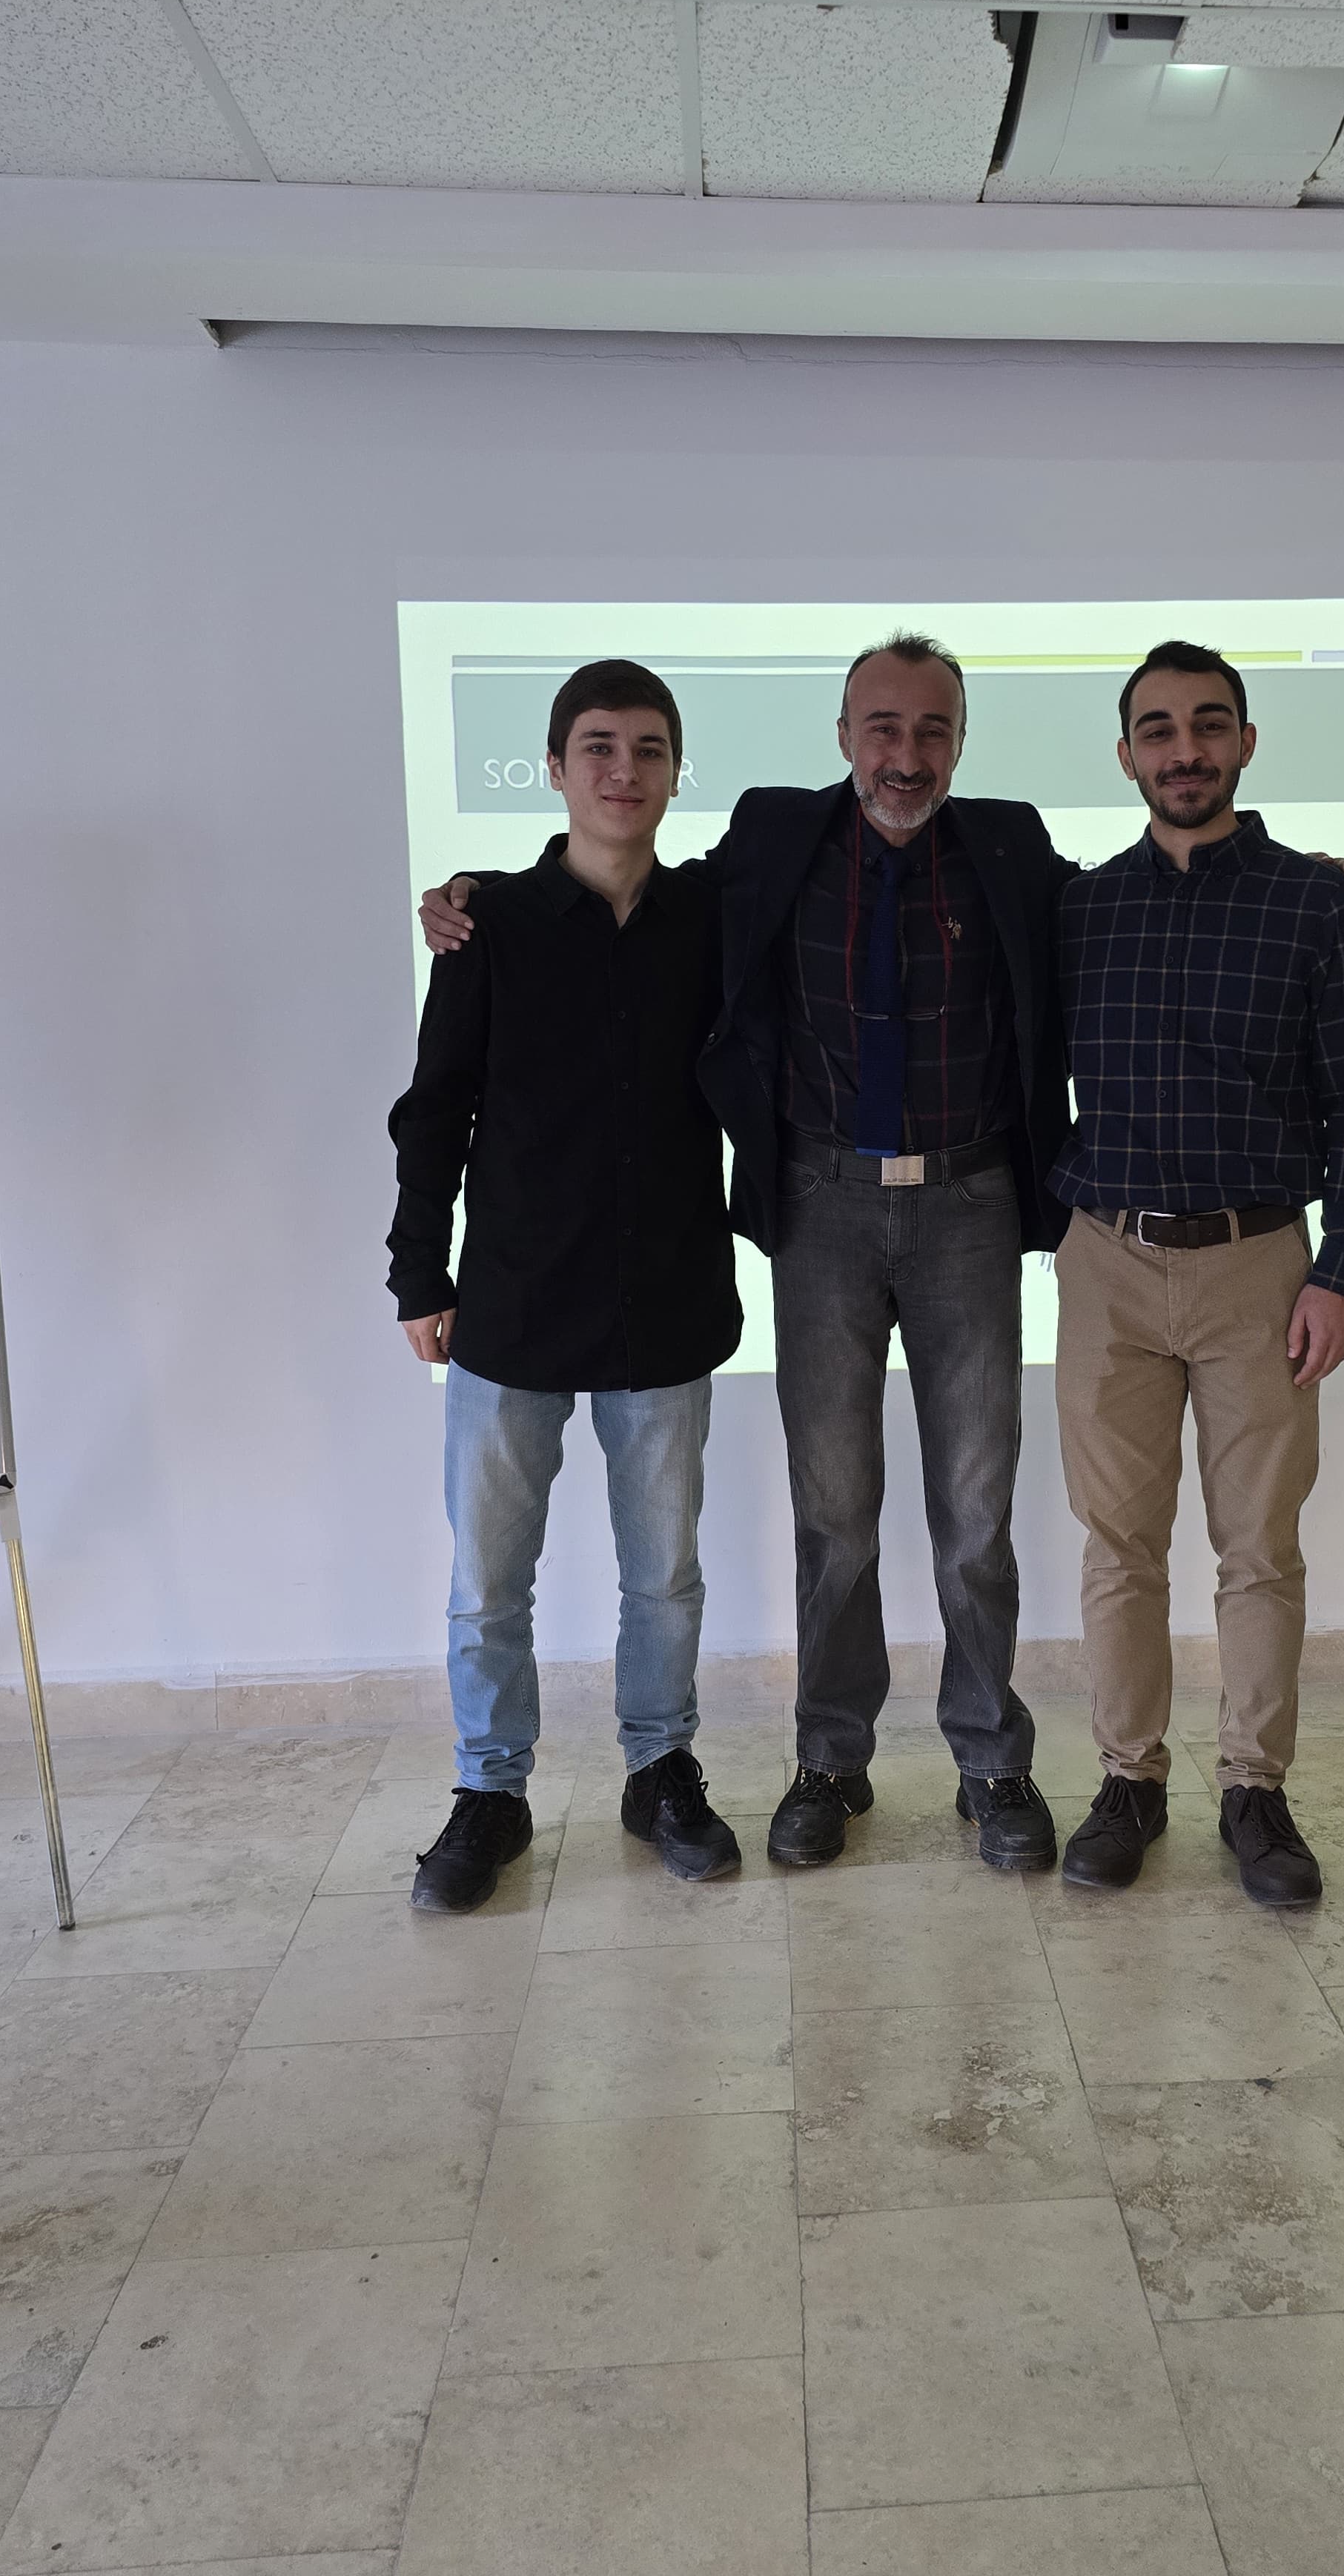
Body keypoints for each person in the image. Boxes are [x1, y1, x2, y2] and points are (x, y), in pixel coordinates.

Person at [426, 638, 1070, 1876]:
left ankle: (992, 1762)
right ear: (842, 737)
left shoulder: (1008, 843)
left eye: (932, 730)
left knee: (976, 1514)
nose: (906, 755)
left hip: (970, 1207)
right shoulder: (775, 838)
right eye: (882, 727)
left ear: (961, 742)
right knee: (833, 1513)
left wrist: (1280, 871)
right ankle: (830, 1762)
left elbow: (1112, 907)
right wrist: (471, 891)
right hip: (821, 1209)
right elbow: (605, 876)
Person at [1047, 641, 1344, 1906]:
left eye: (1208, 725)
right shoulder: (1081, 910)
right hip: (1107, 1264)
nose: (1184, 749)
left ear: (1246, 743)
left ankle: (1256, 1789)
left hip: (1262, 1266)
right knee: (1118, 1547)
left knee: (1258, 1548)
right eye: (1158, 729)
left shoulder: (1316, 903)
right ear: (1127, 754)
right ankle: (1128, 1782)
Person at [388, 660, 743, 1912]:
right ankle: (490, 1790)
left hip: (669, 1299)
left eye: (648, 749)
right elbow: (435, 1109)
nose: (622, 771)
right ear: (553, 768)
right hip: (512, 1306)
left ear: (676, 771)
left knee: (666, 1577)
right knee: (489, 1584)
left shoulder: (713, 918)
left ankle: (661, 1770)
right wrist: (418, 1271)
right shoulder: (490, 925)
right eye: (598, 746)